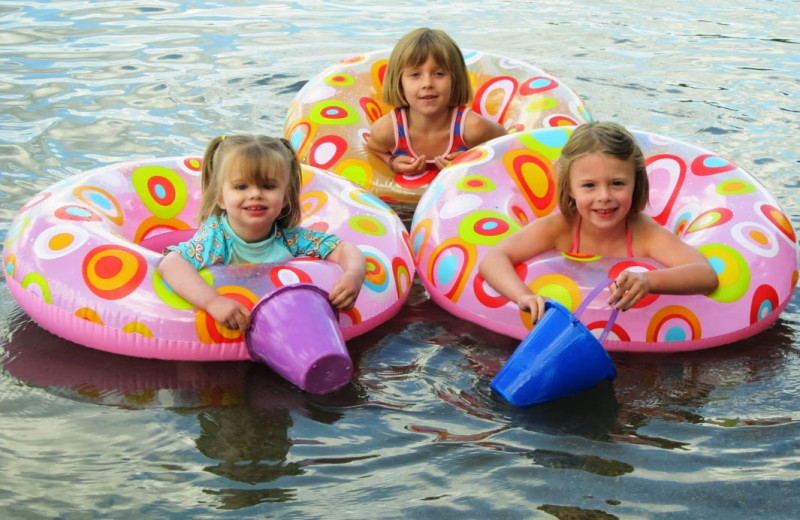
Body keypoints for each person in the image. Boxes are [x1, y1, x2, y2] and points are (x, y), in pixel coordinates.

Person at [478, 121, 719, 324]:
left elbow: (705, 274)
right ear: (570, 188)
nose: (604, 196)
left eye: (617, 183)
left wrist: (648, 281)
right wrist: (524, 296)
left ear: (636, 183)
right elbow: (494, 258)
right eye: (589, 185)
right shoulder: (561, 227)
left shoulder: (644, 233)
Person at [159, 135, 366, 332]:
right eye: (241, 186)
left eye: (268, 186)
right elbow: (172, 263)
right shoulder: (216, 239)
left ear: (285, 197)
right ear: (220, 198)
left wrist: (353, 275)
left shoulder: (290, 237)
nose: (255, 194)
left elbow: (344, 249)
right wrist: (213, 302)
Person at [366, 27, 507, 187]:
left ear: (455, 80)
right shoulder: (387, 130)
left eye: (439, 74)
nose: (427, 83)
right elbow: (374, 148)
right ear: (399, 82)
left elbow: (506, 140)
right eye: (415, 75)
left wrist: (474, 159)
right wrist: (392, 162)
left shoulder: (473, 128)